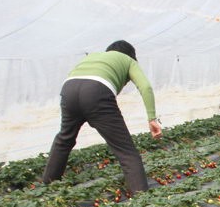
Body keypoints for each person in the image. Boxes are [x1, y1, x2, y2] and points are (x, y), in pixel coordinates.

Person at [42, 40, 162, 193]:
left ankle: (46, 188)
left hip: (69, 89)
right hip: (96, 92)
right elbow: (145, 86)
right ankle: (142, 198)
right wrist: (152, 118)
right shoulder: (128, 60)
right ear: (131, 55)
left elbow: (78, 77)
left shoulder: (93, 57)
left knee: (64, 139)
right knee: (126, 151)